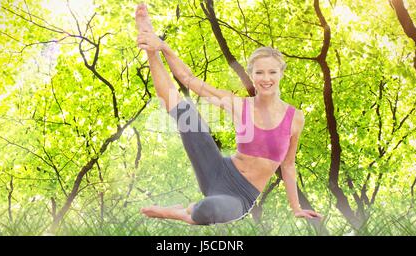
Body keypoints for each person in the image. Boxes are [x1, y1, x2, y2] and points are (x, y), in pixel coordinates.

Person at [135, 3, 322, 225]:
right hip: (216, 170)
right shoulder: (239, 105)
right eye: (259, 72)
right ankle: (149, 45)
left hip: (239, 197)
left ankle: (179, 212)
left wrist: (297, 208)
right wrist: (162, 47)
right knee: (184, 111)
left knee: (207, 210)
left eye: (272, 72)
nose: (266, 78)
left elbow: (288, 165)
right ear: (251, 75)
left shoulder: (295, 118)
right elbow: (188, 79)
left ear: (281, 73)